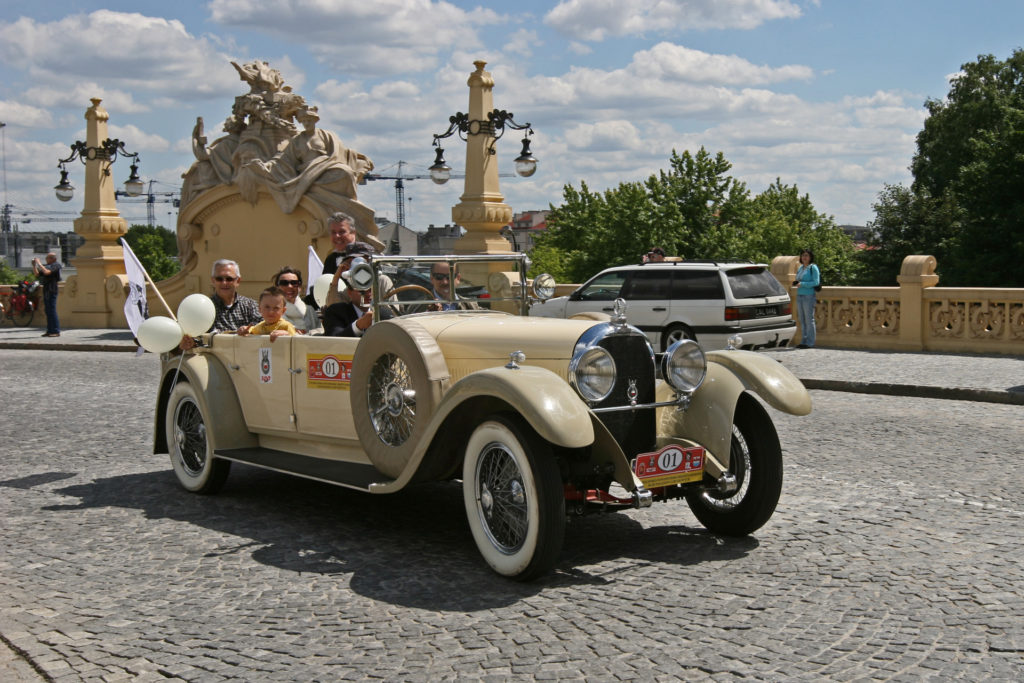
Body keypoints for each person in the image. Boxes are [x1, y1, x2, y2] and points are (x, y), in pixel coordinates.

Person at [180, 259, 262, 350]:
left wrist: (251, 330)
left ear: (238, 281)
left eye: (229, 279)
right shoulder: (203, 309)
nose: (224, 283)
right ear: (213, 280)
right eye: (219, 279)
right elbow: (195, 339)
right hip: (214, 361)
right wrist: (189, 343)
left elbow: (265, 327)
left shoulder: (250, 305)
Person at [321, 252, 393, 337]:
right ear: (349, 292)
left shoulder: (384, 314)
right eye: (361, 290)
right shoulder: (336, 312)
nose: (368, 294)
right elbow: (334, 341)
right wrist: (358, 326)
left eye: (371, 289)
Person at [272, 266, 320, 333]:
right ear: (277, 287)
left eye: (294, 283)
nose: (289, 286)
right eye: (284, 283)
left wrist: (307, 334)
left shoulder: (309, 310)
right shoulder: (270, 310)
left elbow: (319, 332)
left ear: (299, 287)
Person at [793, 248, 820, 349]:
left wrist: (802, 284)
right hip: (800, 295)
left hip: (809, 295)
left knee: (809, 319)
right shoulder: (800, 268)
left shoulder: (813, 267)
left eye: (806, 255)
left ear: (810, 257)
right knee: (802, 319)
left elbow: (816, 282)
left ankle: (810, 342)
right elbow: (798, 279)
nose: (804, 257)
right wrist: (796, 283)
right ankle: (803, 340)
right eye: (803, 255)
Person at [31, 252, 61, 337]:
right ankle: (50, 330)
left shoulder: (56, 265)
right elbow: (37, 274)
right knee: (47, 311)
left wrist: (39, 263)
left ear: (53, 259)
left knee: (52, 310)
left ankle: (55, 330)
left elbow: (47, 272)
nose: (46, 259)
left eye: (48, 258)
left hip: (52, 290)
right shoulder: (46, 266)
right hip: (46, 290)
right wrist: (34, 265)